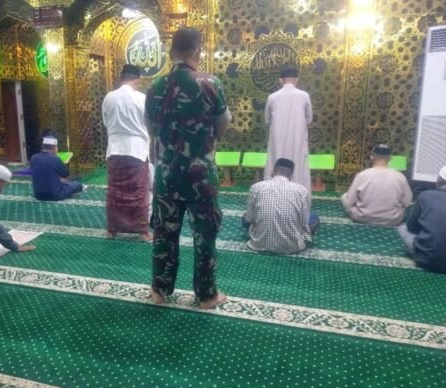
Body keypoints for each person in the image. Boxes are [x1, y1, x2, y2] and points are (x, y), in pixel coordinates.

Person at [145, 27, 232, 309]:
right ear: (197, 50)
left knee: (164, 234)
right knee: (204, 236)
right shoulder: (211, 83)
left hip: (167, 176)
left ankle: (160, 291)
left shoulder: (155, 87)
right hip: (201, 177)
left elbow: (152, 130)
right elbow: (222, 127)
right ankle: (206, 296)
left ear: (172, 51)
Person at [102, 64, 151, 241]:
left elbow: (106, 122)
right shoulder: (142, 98)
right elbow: (149, 124)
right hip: (137, 151)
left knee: (115, 191)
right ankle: (143, 232)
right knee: (138, 192)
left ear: (121, 78)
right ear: (137, 80)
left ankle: (112, 230)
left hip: (115, 149)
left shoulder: (109, 97)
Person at [243, 158, 318, 254]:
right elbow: (304, 223)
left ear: (272, 172)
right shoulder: (302, 191)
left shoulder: (256, 187)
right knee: (314, 218)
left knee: (245, 217)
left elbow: (249, 218)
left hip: (259, 243)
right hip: (293, 246)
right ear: (291, 176)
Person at [264, 67, 313, 192]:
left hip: (277, 141)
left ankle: (272, 195)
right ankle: (298, 197)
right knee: (299, 165)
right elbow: (309, 119)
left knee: (275, 161)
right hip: (298, 141)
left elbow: (267, 120)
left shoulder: (272, 97)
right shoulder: (304, 96)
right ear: (297, 79)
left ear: (280, 80)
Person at [341, 144, 412, 226]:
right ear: (390, 159)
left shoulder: (362, 175)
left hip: (363, 217)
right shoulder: (399, 176)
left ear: (371, 157)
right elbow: (407, 202)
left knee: (344, 197)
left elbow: (350, 201)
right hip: (392, 219)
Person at [397, 166, 446, 274]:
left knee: (402, 228)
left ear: (438, 180)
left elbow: (411, 227)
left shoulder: (426, 196)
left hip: (425, 258)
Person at [30, 136, 83, 201]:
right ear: (55, 148)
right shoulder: (55, 159)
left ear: (43, 146)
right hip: (55, 195)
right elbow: (66, 174)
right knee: (78, 184)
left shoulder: (34, 157)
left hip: (38, 195)